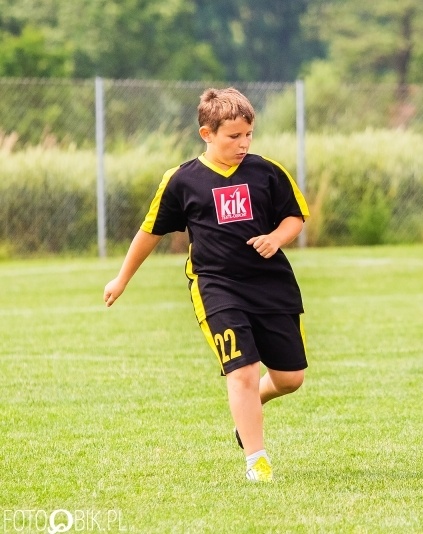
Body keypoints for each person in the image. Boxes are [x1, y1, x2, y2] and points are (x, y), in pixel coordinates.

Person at [103, 87, 310, 483]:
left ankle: (247, 412)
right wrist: (122, 277)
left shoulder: (267, 171)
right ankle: (257, 461)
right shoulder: (182, 180)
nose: (243, 143)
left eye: (248, 134)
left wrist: (276, 238)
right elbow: (150, 232)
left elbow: (295, 217)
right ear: (207, 133)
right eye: (234, 136)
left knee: (289, 379)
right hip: (217, 286)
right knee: (243, 371)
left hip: (272, 286)